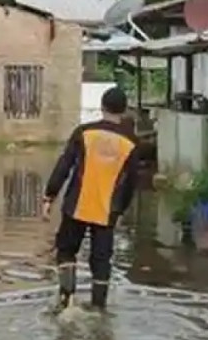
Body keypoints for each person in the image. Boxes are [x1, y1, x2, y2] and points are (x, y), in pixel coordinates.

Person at [41, 86, 138, 310]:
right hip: (107, 211)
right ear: (123, 111)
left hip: (77, 205)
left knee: (66, 250)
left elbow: (64, 166)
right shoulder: (131, 143)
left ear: (101, 106)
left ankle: (67, 301)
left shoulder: (84, 133)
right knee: (102, 261)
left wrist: (49, 196)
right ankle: (98, 309)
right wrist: (121, 211)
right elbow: (131, 183)